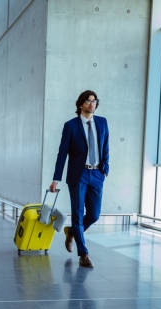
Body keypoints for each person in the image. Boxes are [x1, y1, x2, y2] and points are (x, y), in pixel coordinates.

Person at [49, 90, 109, 268]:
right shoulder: (71, 126)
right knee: (77, 214)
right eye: (89, 101)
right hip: (78, 175)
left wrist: (105, 169)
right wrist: (56, 179)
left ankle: (72, 232)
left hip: (97, 174)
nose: (92, 104)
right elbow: (62, 153)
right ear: (81, 104)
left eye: (95, 101)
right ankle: (83, 254)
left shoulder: (102, 122)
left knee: (94, 215)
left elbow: (106, 146)